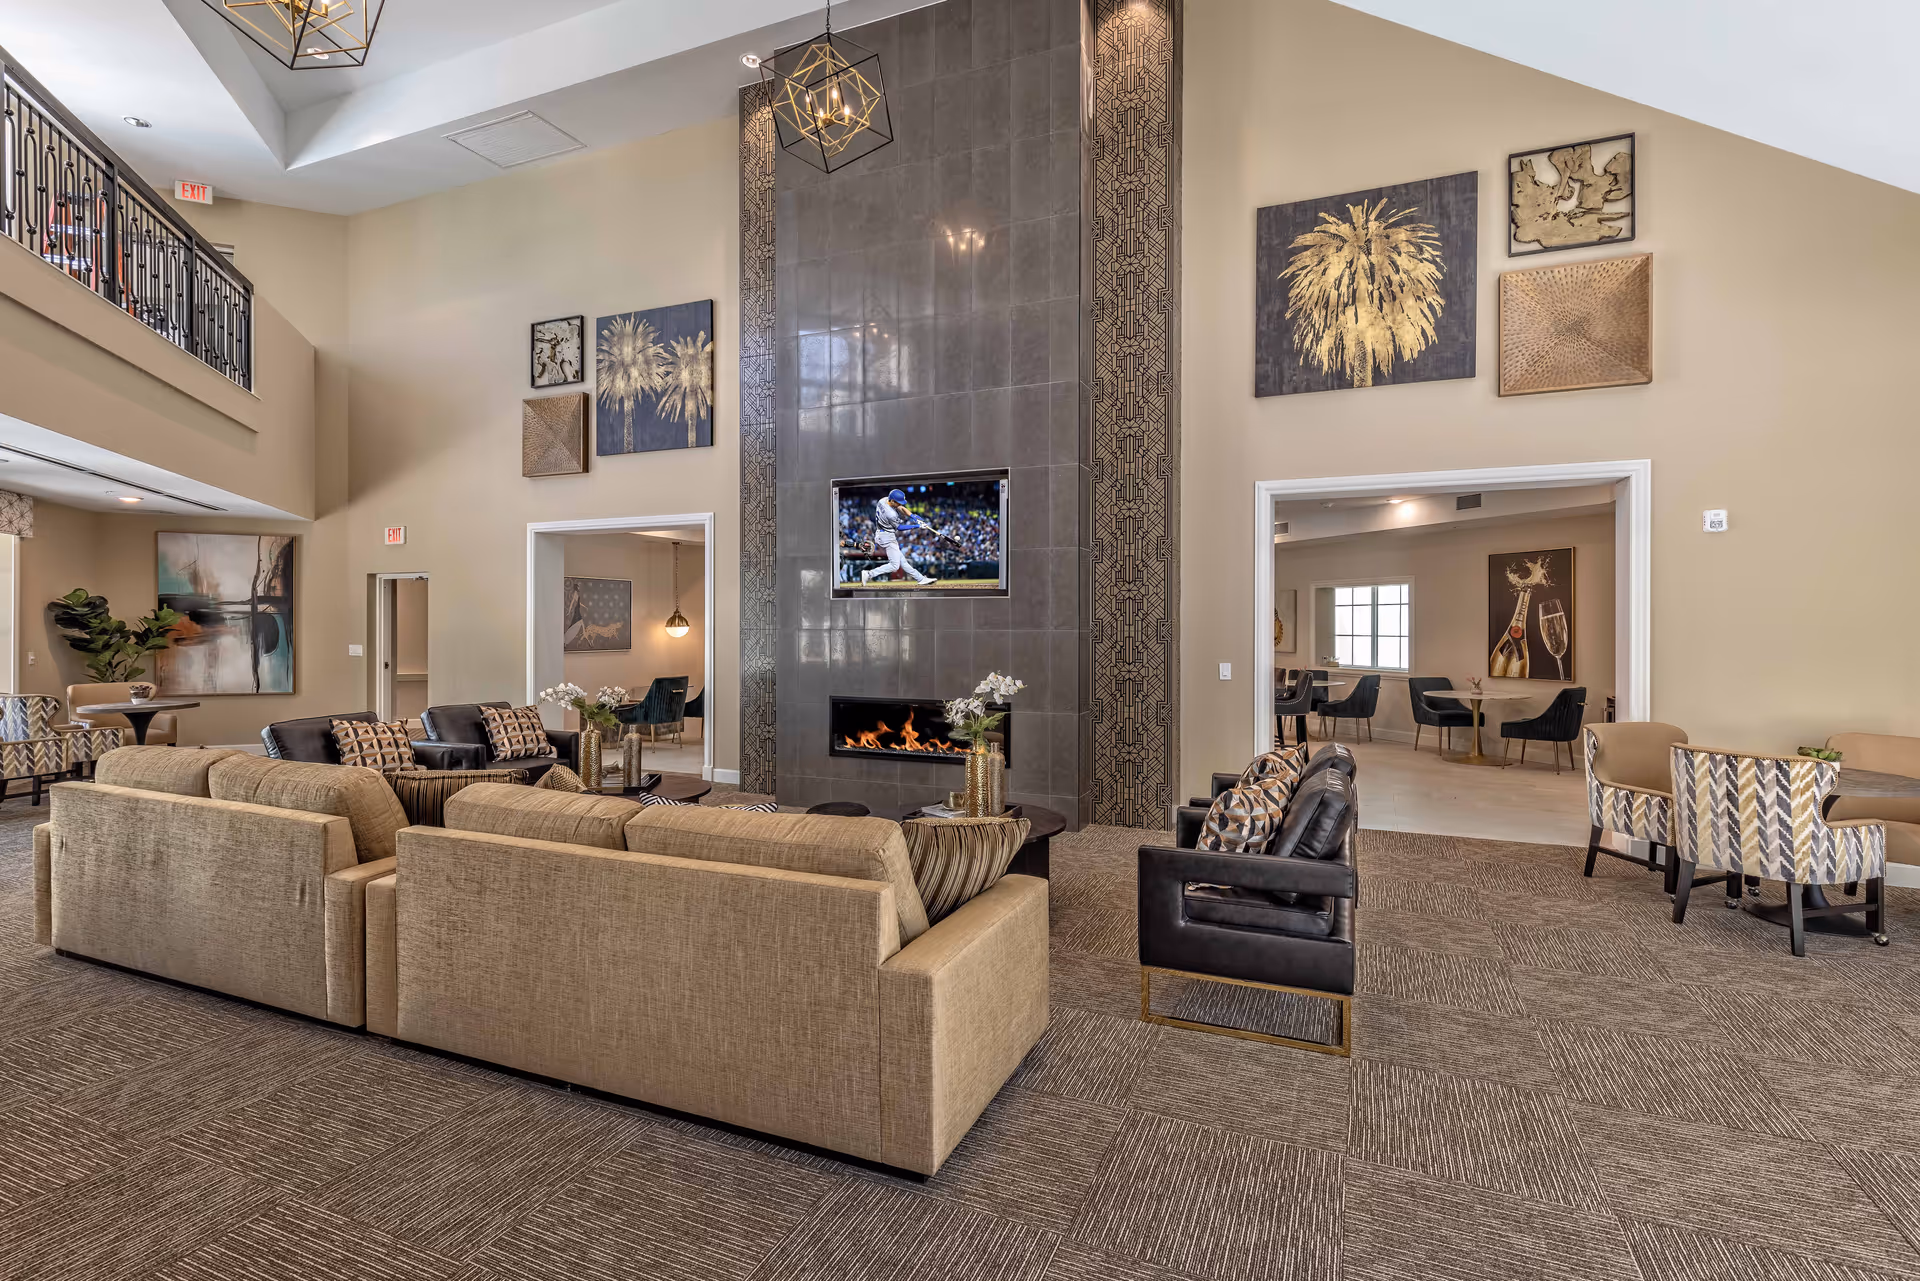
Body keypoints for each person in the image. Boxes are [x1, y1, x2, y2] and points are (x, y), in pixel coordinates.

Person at [860, 488, 940, 586]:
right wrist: (917, 526)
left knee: (903, 562)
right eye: (898, 502)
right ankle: (868, 574)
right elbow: (899, 527)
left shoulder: (883, 500)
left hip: (881, 533)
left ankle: (920, 579)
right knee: (894, 566)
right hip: (887, 537)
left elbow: (900, 508)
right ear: (892, 501)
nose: (900, 504)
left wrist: (913, 516)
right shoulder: (891, 514)